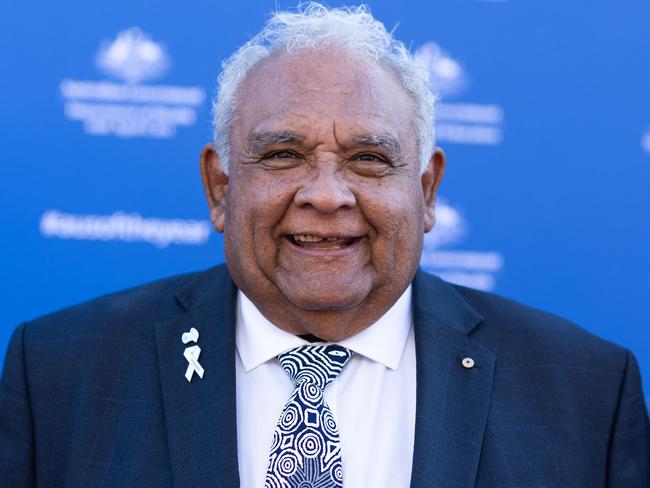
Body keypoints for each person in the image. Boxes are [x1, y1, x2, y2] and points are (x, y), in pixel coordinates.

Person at [1, 3, 648, 487]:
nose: (328, 194)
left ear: (427, 191)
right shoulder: (59, 376)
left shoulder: (588, 394)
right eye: (284, 154)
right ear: (219, 188)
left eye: (368, 159)